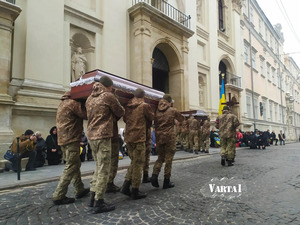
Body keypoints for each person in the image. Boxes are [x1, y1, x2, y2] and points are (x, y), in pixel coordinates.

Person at [86, 76, 124, 213]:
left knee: (98, 167)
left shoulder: (89, 98)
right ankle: (99, 201)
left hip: (91, 136)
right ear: (109, 87)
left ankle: (92, 196)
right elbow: (120, 111)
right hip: (103, 136)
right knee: (104, 169)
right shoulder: (108, 96)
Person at [52, 91, 90, 205]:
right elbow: (86, 115)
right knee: (71, 166)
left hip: (63, 139)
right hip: (71, 139)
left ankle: (79, 188)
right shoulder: (72, 103)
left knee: (75, 164)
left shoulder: (62, 103)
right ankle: (59, 195)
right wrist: (85, 103)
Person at [120, 88, 154, 200]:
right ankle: (135, 190)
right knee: (139, 163)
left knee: (134, 161)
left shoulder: (127, 105)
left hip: (129, 137)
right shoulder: (144, 106)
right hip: (139, 137)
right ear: (143, 96)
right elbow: (151, 118)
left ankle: (126, 185)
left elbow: (125, 119)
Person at [150, 94, 184, 189]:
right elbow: (181, 119)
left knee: (160, 157)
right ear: (170, 102)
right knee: (169, 159)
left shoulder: (156, 110)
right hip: (169, 137)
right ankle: (166, 181)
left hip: (159, 137)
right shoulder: (172, 110)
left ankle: (154, 175)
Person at [106, 115, 122, 193]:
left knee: (102, 163)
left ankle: (101, 185)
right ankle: (109, 183)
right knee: (113, 162)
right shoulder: (111, 103)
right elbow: (120, 112)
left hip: (99, 137)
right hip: (111, 136)